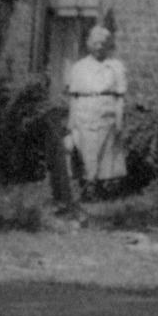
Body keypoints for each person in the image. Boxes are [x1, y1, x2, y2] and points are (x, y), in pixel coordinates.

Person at [65, 24, 129, 201]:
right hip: (84, 113)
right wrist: (70, 125)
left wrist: (119, 120)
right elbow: (74, 97)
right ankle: (86, 189)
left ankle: (101, 190)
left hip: (106, 113)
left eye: (103, 43)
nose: (99, 47)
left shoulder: (115, 66)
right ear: (88, 44)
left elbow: (120, 97)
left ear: (108, 45)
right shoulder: (79, 67)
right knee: (84, 151)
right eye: (95, 43)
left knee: (105, 152)